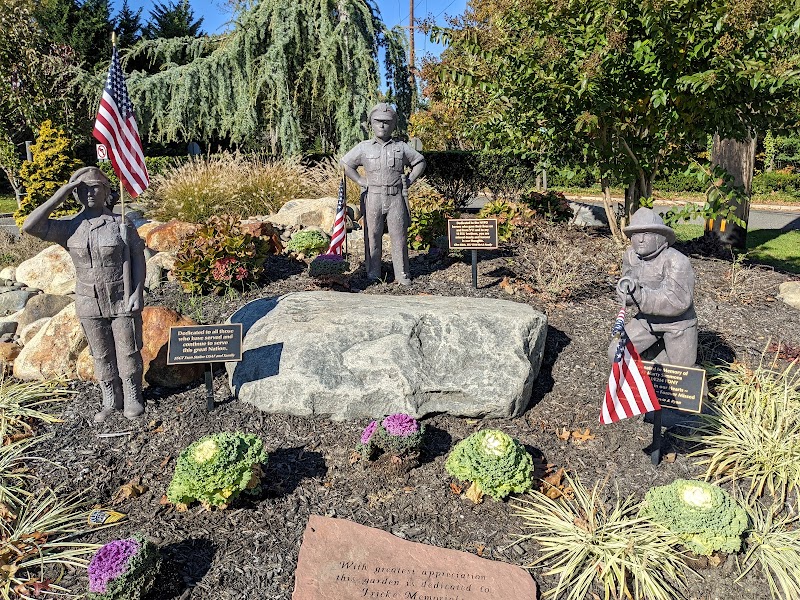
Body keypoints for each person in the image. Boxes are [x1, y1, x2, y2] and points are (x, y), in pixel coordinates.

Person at [22, 166, 146, 422]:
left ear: (107, 191)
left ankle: (133, 396)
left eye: (95, 187)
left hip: (121, 296)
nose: (89, 193)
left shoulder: (121, 223)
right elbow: (30, 226)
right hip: (89, 301)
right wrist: (62, 193)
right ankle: (111, 399)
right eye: (82, 189)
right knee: (100, 353)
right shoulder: (70, 228)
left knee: (128, 350)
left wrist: (137, 292)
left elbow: (137, 258)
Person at [340, 103, 426, 285]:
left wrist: (409, 180)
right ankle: (373, 273)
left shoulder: (401, 147)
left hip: (396, 198)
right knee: (372, 235)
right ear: (371, 123)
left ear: (393, 124)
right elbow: (346, 164)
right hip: (373, 197)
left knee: (399, 236)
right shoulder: (364, 148)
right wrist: (360, 180)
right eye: (378, 121)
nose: (382, 125)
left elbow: (419, 161)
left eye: (387, 122)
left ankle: (402, 273)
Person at [609, 207, 697, 367]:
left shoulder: (676, 260)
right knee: (617, 352)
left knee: (682, 373)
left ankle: (661, 358)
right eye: (636, 234)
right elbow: (628, 284)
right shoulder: (631, 256)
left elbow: (678, 302)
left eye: (647, 234)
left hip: (677, 325)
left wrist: (640, 296)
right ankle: (648, 367)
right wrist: (625, 293)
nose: (641, 239)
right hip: (647, 321)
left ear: (661, 237)